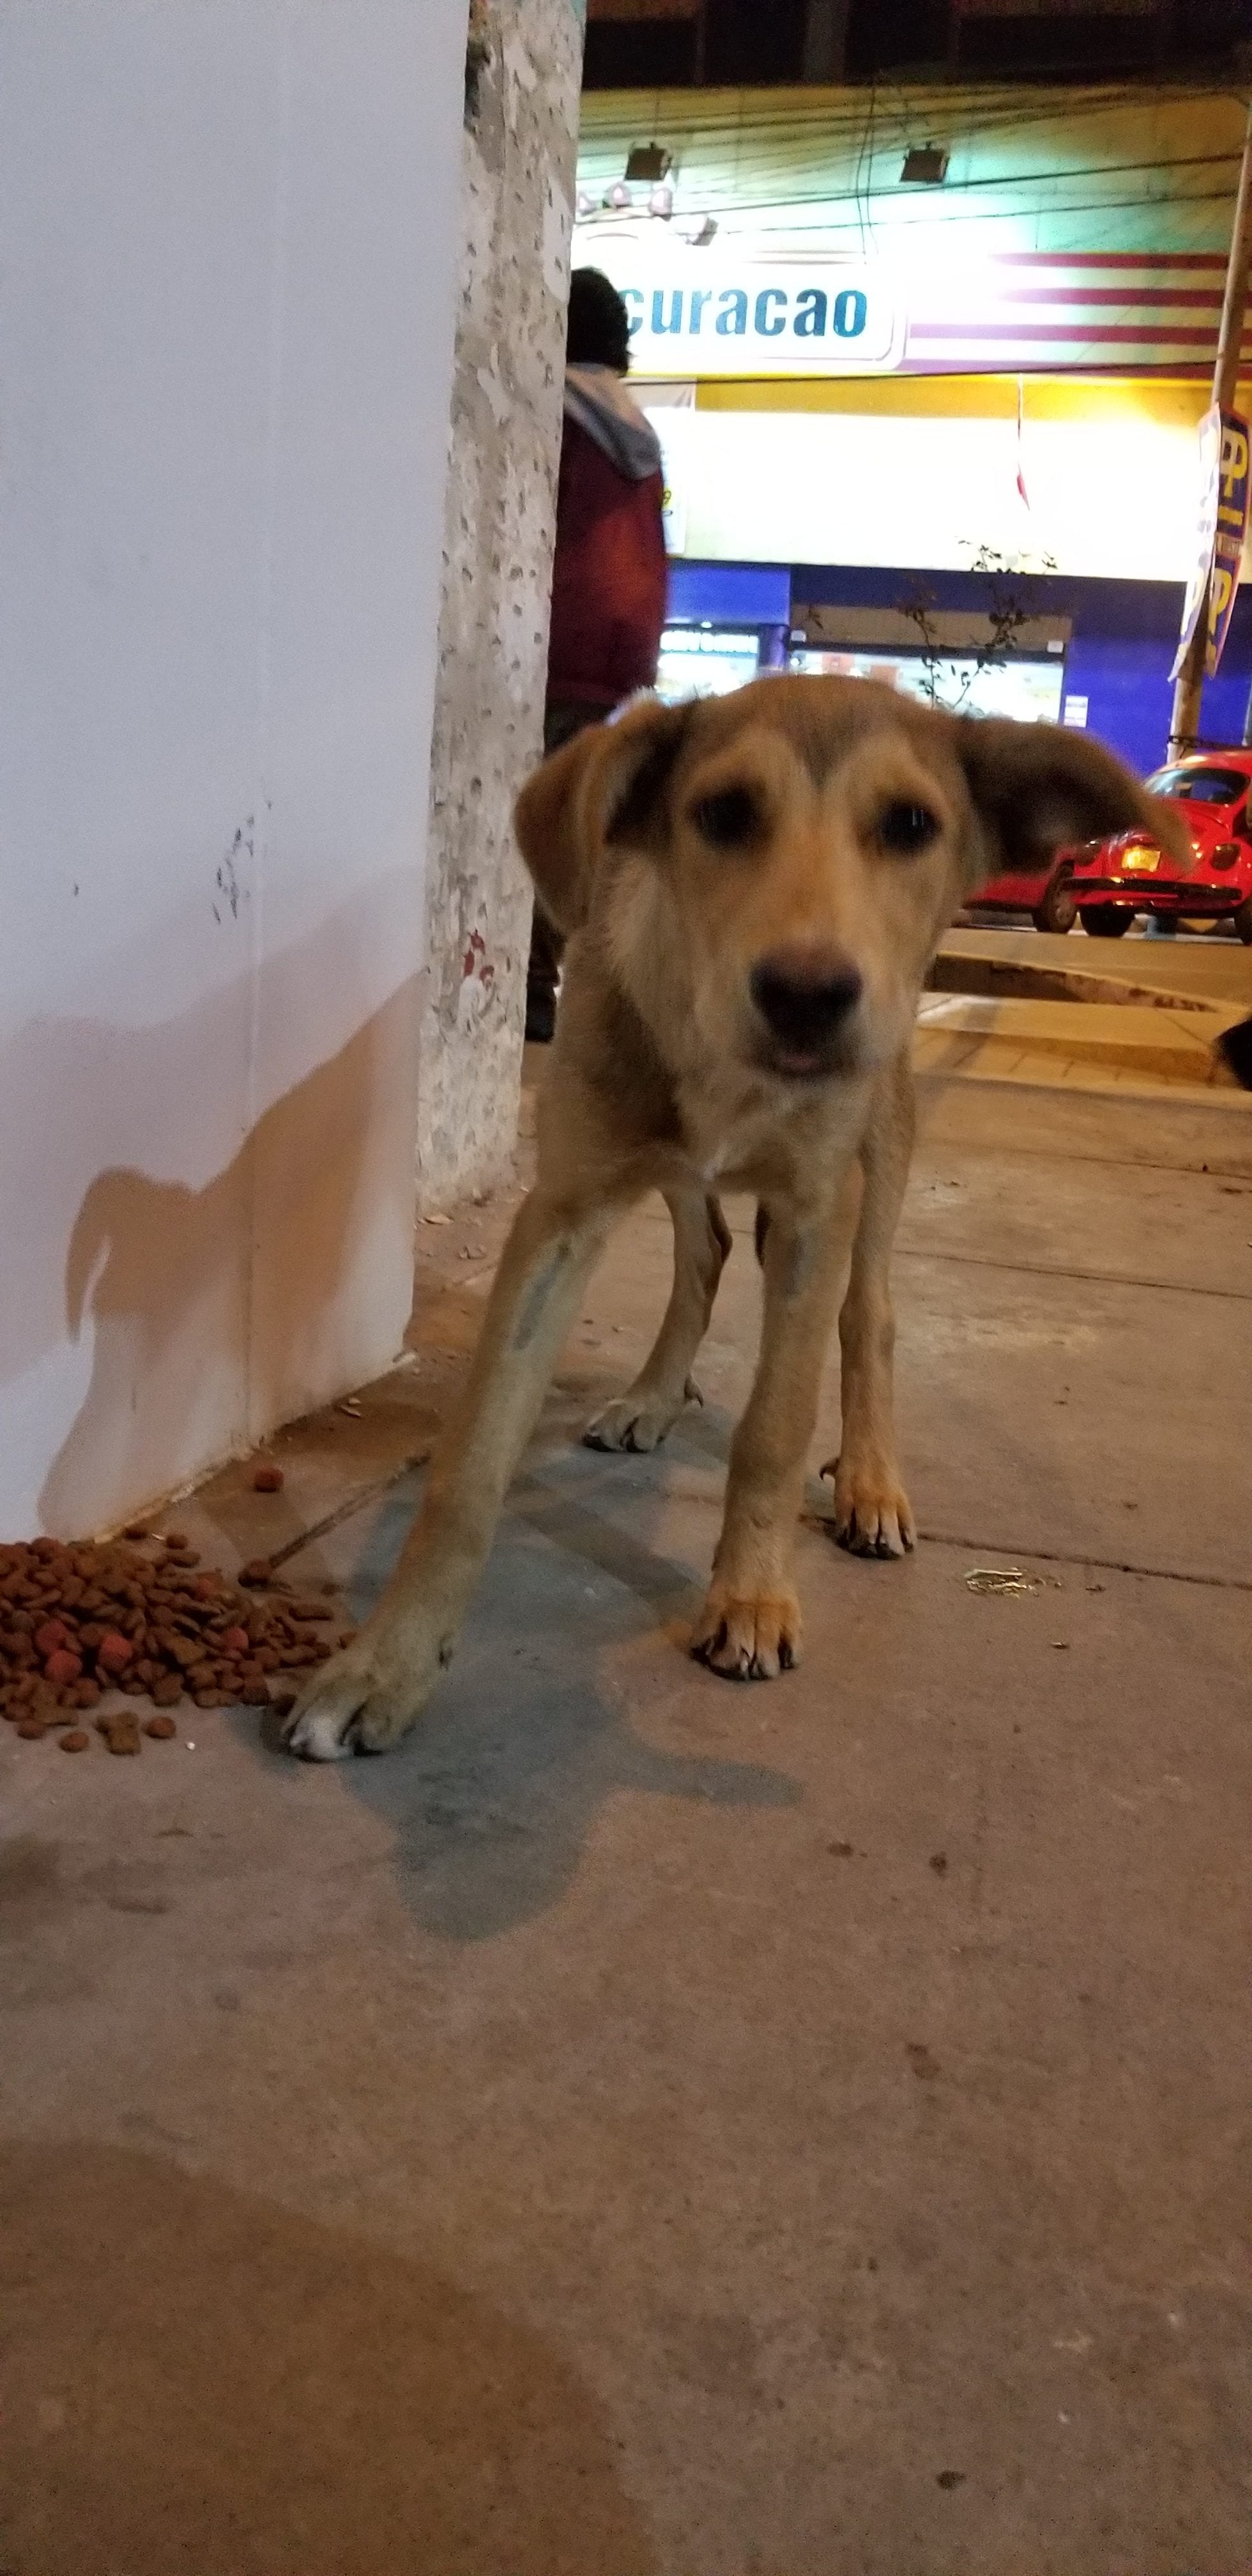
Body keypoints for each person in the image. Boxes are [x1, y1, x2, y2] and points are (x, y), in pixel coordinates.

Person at [526, 268, 669, 1042]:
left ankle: (531, 998)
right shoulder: (631, 425)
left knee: (534, 825)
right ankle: (552, 990)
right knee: (578, 826)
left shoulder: (556, 416)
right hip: (618, 654)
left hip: (557, 648)